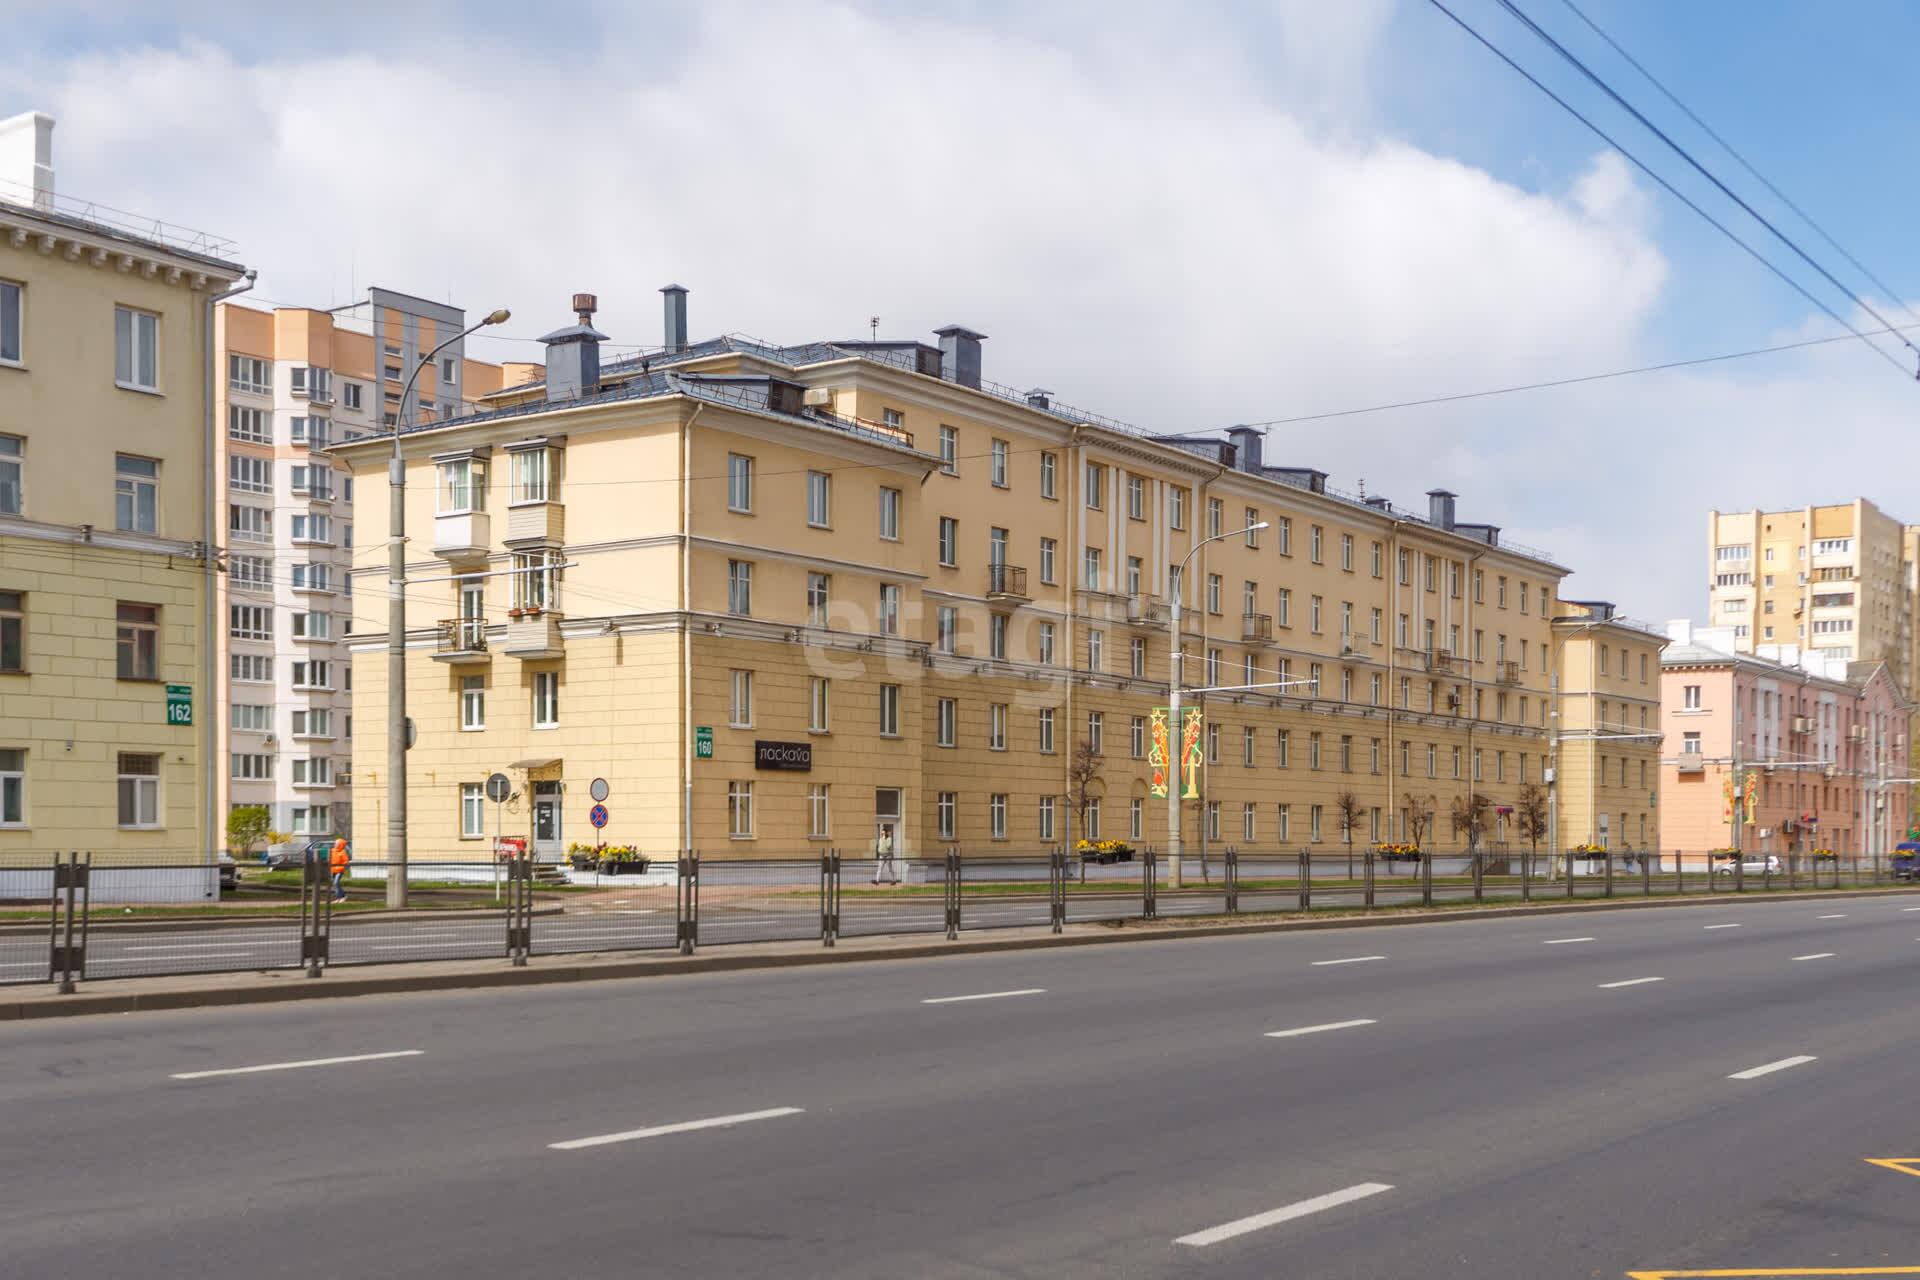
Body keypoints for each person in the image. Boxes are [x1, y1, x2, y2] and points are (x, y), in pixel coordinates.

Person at [329, 836, 350, 903]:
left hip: (340, 870)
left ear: (340, 844)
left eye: (337, 843)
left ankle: (339, 897)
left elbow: (346, 862)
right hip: (333, 870)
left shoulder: (343, 852)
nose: (335, 844)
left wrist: (341, 867)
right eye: (335, 843)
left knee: (336, 883)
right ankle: (342, 896)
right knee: (335, 884)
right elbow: (329, 859)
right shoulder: (332, 850)